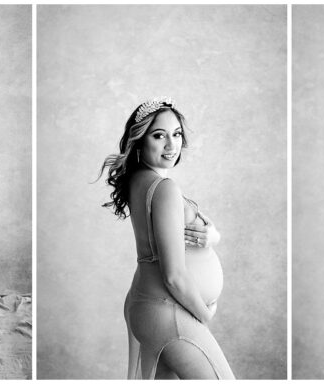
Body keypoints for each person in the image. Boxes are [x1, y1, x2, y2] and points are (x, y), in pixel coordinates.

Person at [98, 97, 234, 379]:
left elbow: (171, 238)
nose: (172, 145)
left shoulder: (139, 179)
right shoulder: (163, 188)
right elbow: (173, 275)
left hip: (150, 306)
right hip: (167, 312)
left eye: (177, 134)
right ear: (139, 141)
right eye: (159, 136)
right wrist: (204, 314)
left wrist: (211, 236)